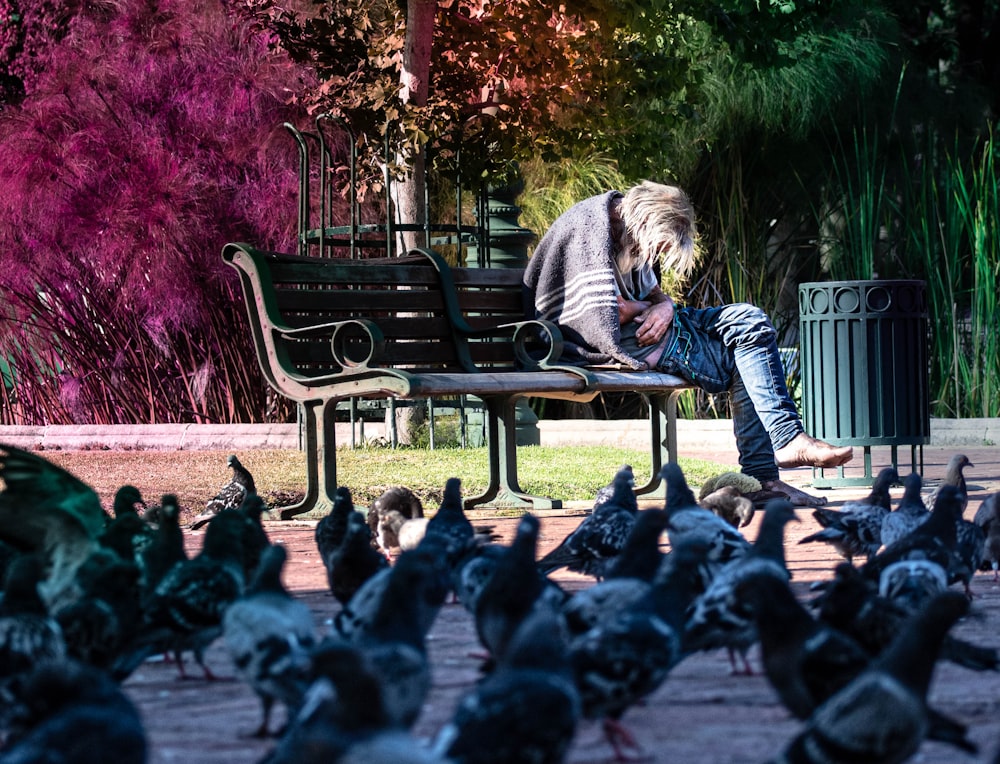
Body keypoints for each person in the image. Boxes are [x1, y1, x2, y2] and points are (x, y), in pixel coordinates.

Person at [522, 181, 853, 506]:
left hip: (651, 326)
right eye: (662, 246)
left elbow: (650, 298)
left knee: (750, 321)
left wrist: (664, 306)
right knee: (744, 357)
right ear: (647, 222)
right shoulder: (590, 230)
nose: (662, 253)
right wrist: (648, 308)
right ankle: (769, 471)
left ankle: (785, 443)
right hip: (601, 342)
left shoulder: (626, 226)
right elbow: (607, 314)